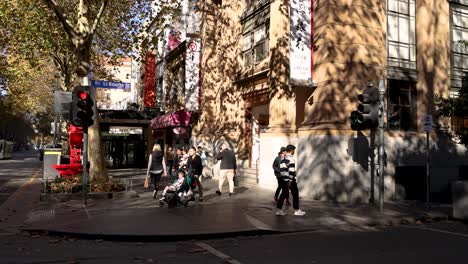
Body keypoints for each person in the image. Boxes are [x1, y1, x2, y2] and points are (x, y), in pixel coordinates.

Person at [276, 144, 306, 216]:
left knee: (283, 194)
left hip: (283, 179)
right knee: (295, 194)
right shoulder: (291, 159)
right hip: (290, 180)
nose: (294, 152)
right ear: (292, 150)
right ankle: (297, 210)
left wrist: (285, 178)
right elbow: (291, 171)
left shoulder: (283, 158)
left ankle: (279, 210)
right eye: (294, 150)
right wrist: (290, 180)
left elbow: (282, 170)